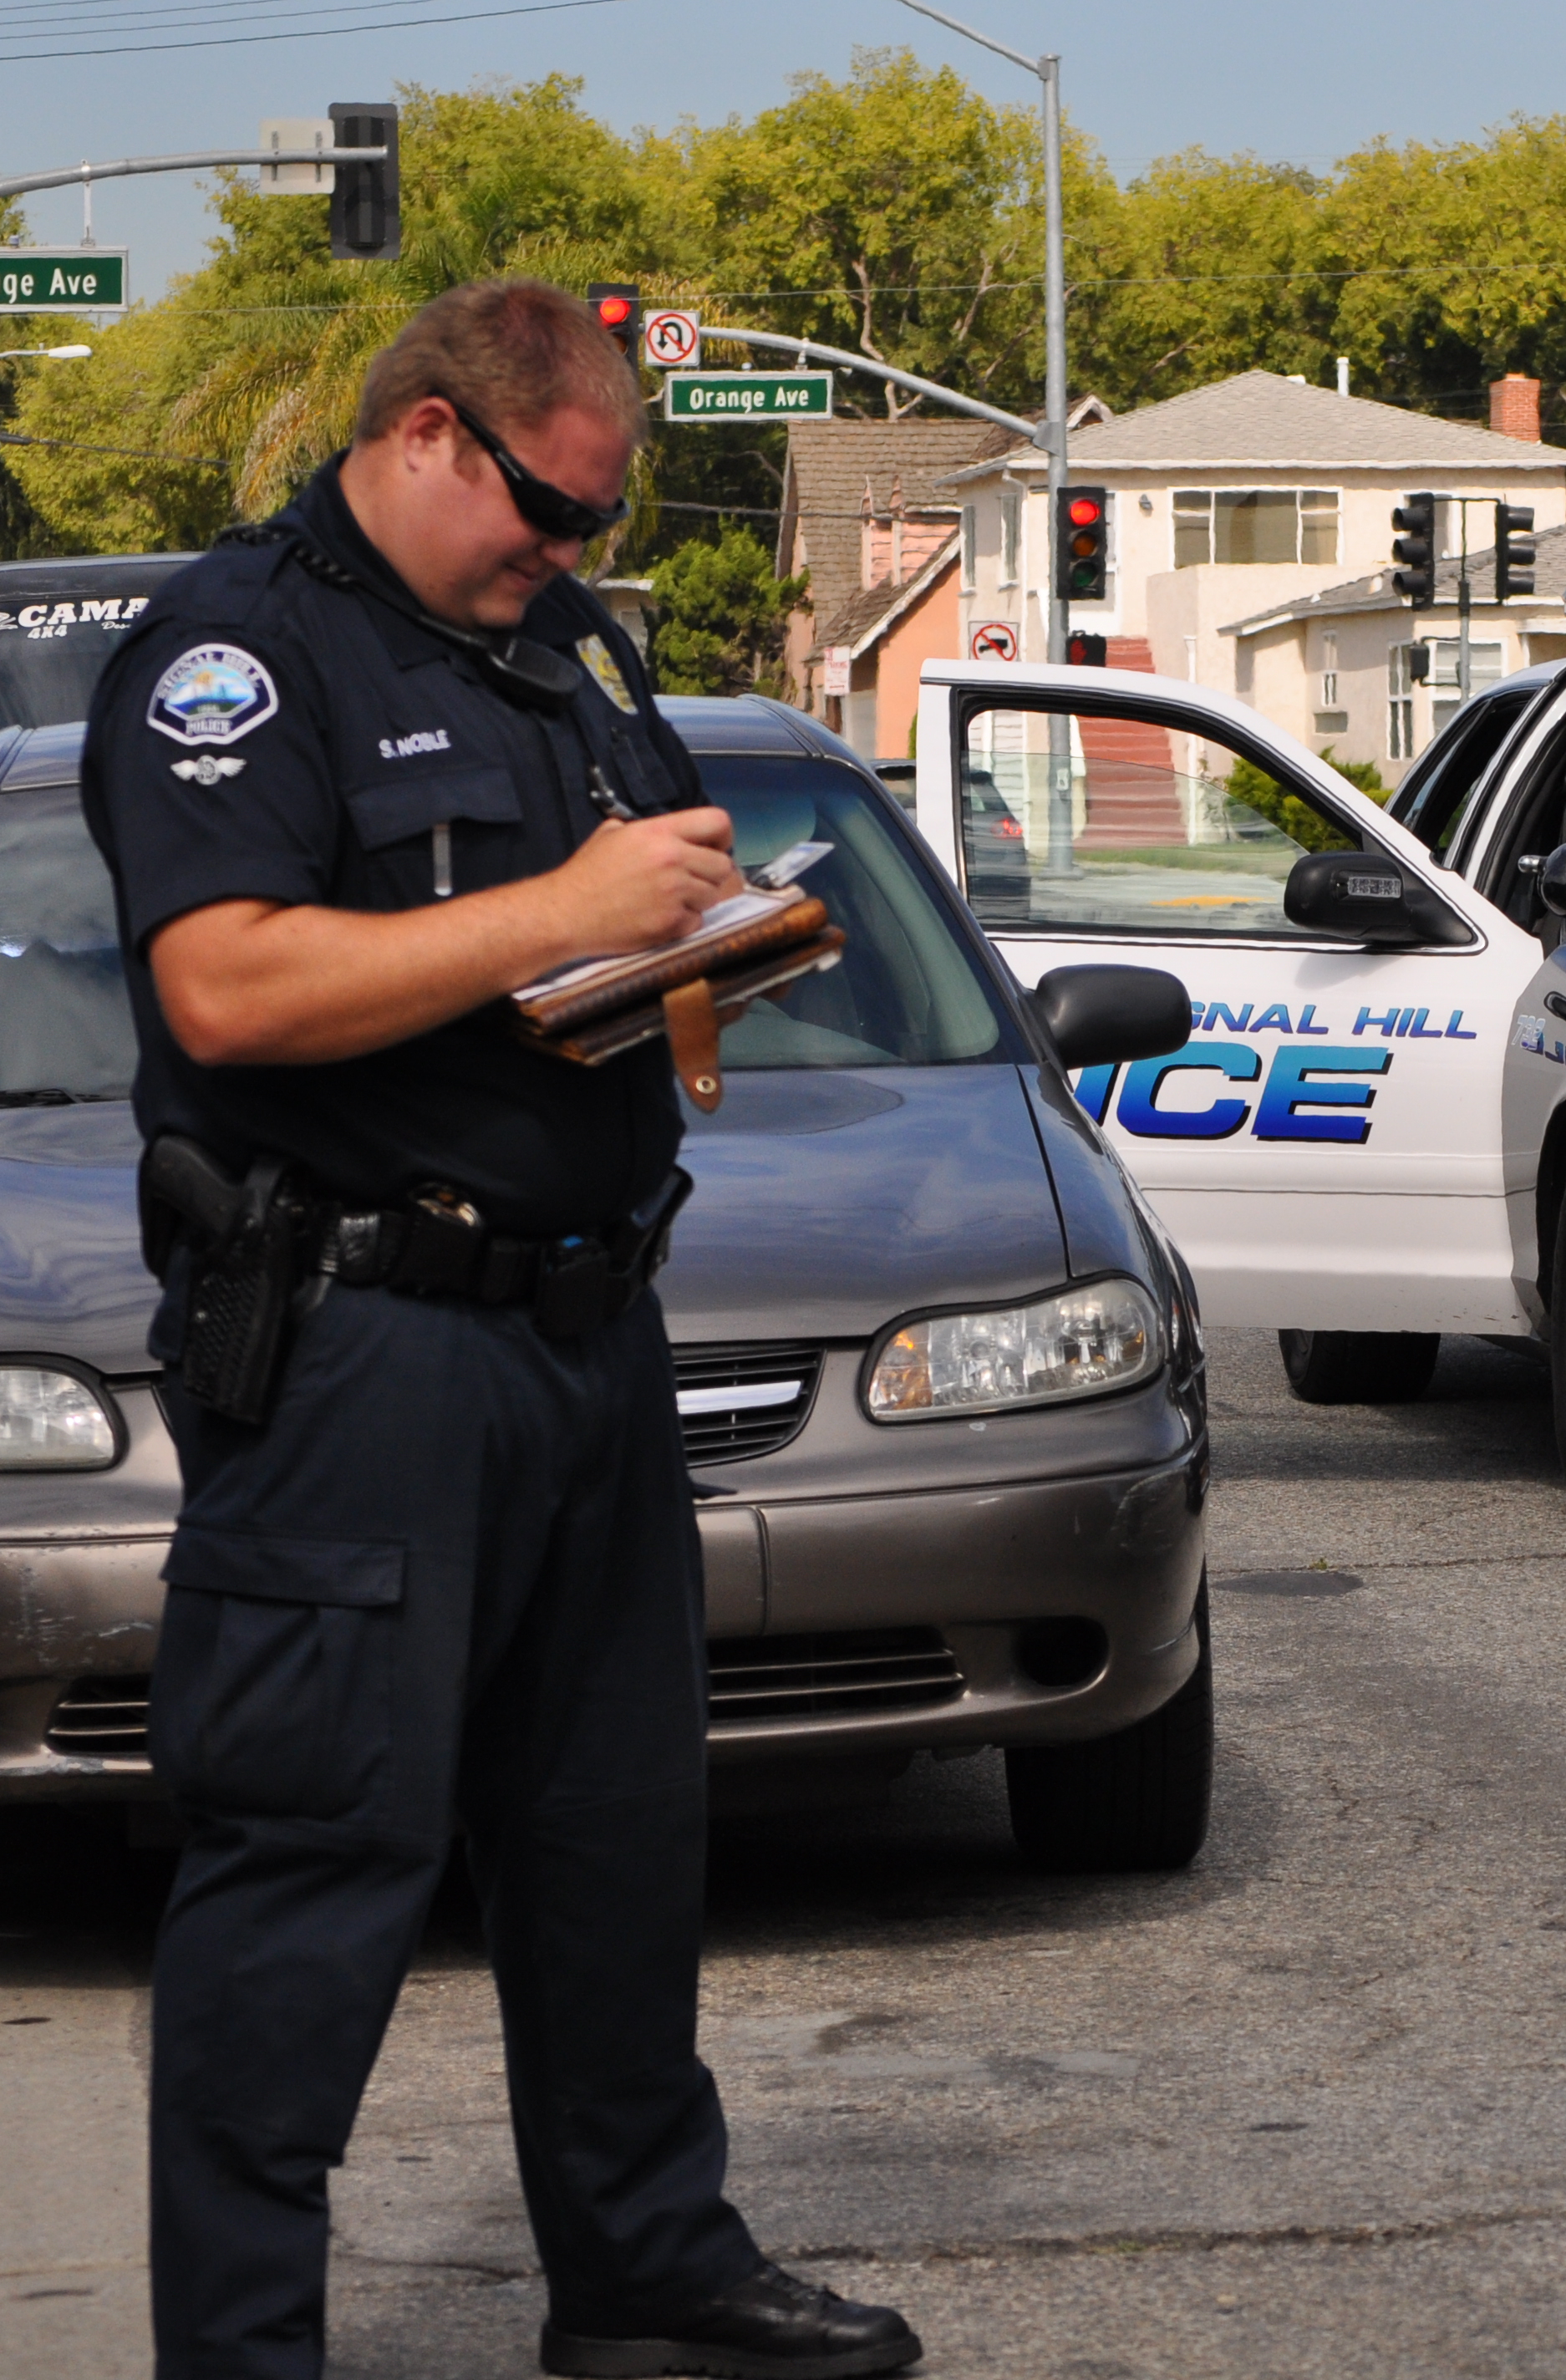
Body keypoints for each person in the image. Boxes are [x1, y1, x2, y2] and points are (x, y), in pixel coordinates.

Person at [82, 278, 925, 2380]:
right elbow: (230, 989)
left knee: (613, 1833)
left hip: (581, 1326)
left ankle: (645, 2276)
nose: (571, 555)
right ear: (435, 434)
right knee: (314, 1852)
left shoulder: (558, 652)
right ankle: (247, 2344)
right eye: (549, 511)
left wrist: (700, 966)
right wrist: (568, 912)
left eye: (592, 527)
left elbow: (571, 945)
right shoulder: (240, 653)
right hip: (370, 1338)